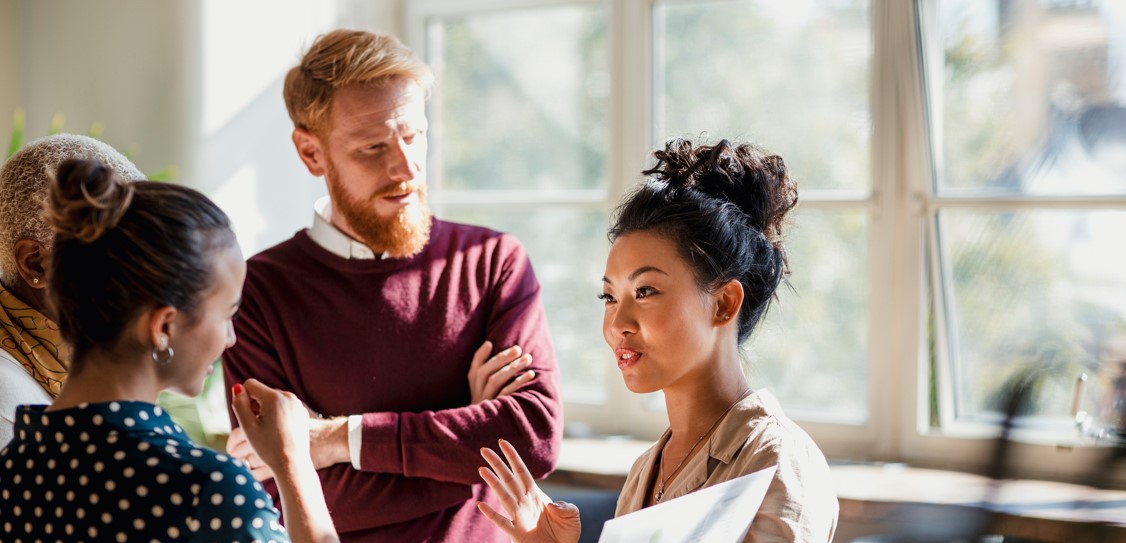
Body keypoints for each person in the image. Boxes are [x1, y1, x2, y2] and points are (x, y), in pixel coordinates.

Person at [221, 29, 563, 542]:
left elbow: (531, 439)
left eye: (414, 135)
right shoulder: (257, 294)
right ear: (311, 154)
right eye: (374, 147)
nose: (405, 168)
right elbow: (284, 495)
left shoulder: (492, 262)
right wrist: (465, 442)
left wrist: (336, 439)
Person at [478, 139, 841, 542]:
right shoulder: (644, 473)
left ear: (723, 303)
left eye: (646, 291)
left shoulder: (778, 462)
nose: (618, 323)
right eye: (609, 297)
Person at [0, 159, 340, 542]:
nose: (230, 338)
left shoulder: (13, 473)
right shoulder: (206, 492)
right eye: (227, 314)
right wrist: (294, 462)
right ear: (164, 327)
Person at [0, 134, 145, 444]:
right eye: (120, 251)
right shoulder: (9, 406)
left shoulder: (77, 364)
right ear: (36, 263)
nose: (142, 274)